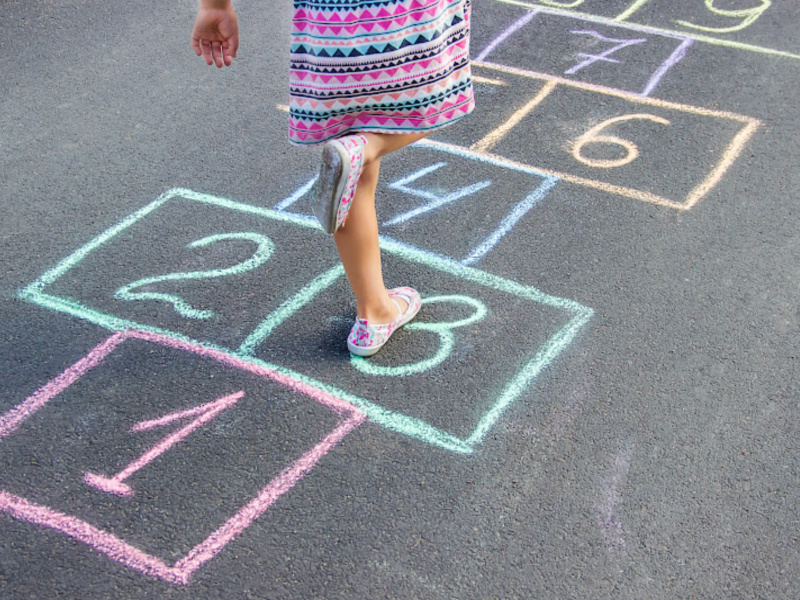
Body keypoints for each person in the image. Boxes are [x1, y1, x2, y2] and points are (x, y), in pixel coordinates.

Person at [191, 0, 475, 356]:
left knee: (348, 166)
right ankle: (367, 147)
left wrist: (214, 6)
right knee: (442, 100)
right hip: (405, 23)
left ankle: (374, 312)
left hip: (331, 35)